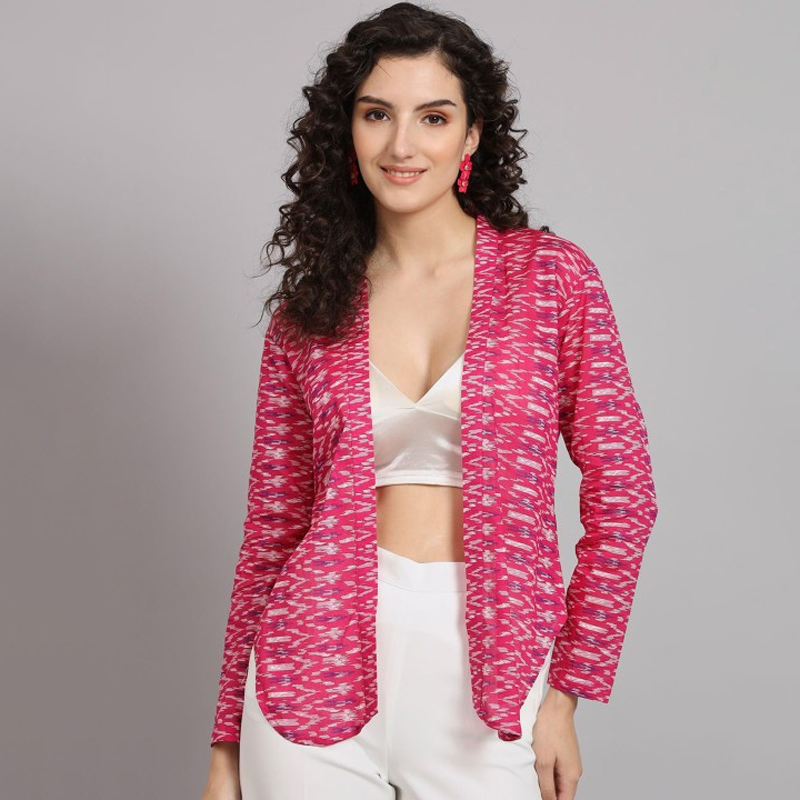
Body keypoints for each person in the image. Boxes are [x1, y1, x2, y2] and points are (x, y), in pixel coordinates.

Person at [202, 3, 658, 799]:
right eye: (377, 114)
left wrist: (565, 692)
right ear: (347, 131)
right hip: (311, 661)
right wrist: (226, 748)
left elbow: (626, 495)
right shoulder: (310, 314)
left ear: (472, 134)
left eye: (433, 117)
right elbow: (272, 532)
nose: (402, 146)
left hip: (491, 670)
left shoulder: (551, 280)